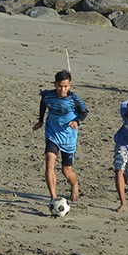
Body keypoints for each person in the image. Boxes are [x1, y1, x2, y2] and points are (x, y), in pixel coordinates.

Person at [32, 70, 88, 204]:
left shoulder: (74, 99)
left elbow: (84, 112)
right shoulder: (48, 96)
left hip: (69, 137)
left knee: (66, 171)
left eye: (66, 86)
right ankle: (53, 198)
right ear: (55, 84)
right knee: (49, 162)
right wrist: (40, 120)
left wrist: (77, 121)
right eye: (59, 86)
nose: (62, 89)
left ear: (70, 85)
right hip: (52, 133)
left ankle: (74, 185)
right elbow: (43, 103)